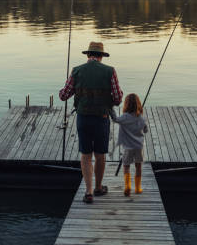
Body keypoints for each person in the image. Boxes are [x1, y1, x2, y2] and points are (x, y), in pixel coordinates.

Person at [59, 41, 123, 204]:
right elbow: (117, 99)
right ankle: (98, 187)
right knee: (100, 154)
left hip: (83, 118)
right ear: (101, 56)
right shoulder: (110, 71)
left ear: (88, 55)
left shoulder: (76, 70)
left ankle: (88, 192)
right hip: (101, 119)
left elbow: (63, 95)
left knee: (86, 155)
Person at [110, 93, 148, 196]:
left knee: (126, 166)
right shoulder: (141, 118)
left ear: (126, 104)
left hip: (128, 148)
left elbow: (115, 119)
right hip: (139, 147)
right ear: (138, 104)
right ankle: (138, 188)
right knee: (138, 166)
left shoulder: (125, 117)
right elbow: (146, 130)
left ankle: (127, 186)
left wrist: (111, 108)